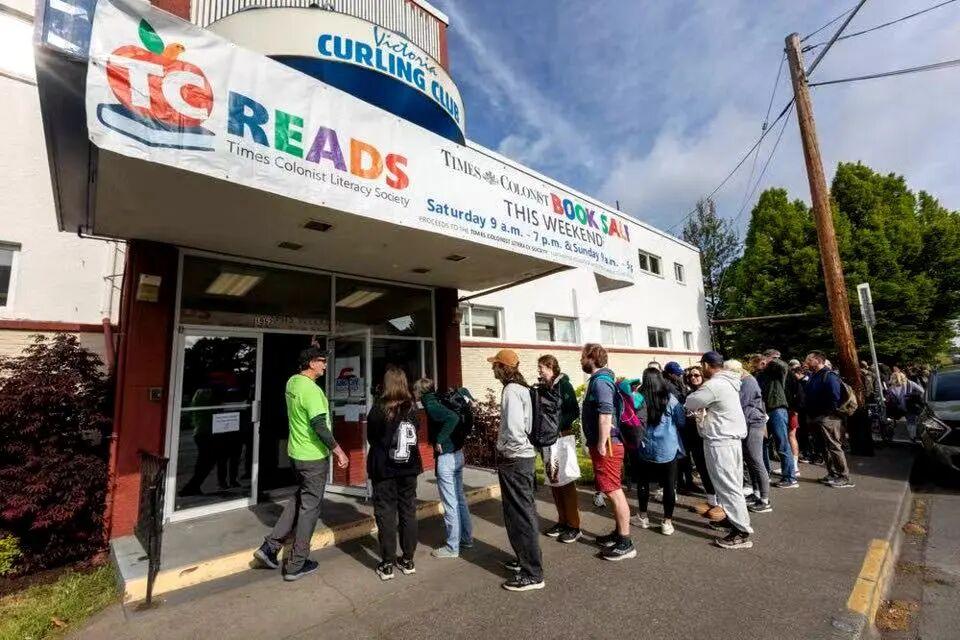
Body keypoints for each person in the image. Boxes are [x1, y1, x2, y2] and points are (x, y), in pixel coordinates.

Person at [254, 347, 349, 581]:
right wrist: (338, 450)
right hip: (312, 457)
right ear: (311, 363)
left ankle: (269, 547)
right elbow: (319, 425)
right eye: (322, 361)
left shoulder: (292, 382)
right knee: (310, 509)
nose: (325, 365)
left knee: (300, 499)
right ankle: (296, 563)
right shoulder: (312, 391)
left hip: (296, 454)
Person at [685, 352, 754, 550]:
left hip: (721, 440)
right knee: (727, 484)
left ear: (707, 365)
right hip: (727, 438)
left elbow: (691, 402)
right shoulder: (729, 381)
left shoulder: (715, 384)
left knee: (728, 485)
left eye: (702, 366)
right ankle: (731, 519)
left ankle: (741, 531)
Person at [489, 349, 544, 591]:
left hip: (515, 459)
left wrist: (506, 451)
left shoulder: (511, 390)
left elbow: (514, 429)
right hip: (525, 456)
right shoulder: (523, 388)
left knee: (520, 515)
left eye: (495, 365)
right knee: (522, 512)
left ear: (503, 367)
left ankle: (532, 573)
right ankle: (525, 560)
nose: (492, 368)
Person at [366, 367, 423, 580]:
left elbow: (372, 437)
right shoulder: (412, 407)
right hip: (408, 467)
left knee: (386, 514)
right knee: (408, 511)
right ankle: (408, 559)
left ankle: (387, 563)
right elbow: (417, 431)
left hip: (385, 469)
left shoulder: (379, 408)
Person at [581, 343, 635, 560]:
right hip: (607, 443)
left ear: (592, 357)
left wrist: (602, 443)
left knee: (614, 491)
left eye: (583, 356)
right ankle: (618, 533)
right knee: (611, 490)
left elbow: (605, 414)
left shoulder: (601, 381)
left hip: (609, 445)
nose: (581, 360)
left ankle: (626, 543)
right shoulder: (600, 379)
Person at [415, 378, 473, 559]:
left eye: (415, 390)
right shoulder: (440, 398)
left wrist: (439, 439)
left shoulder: (432, 405)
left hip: (447, 458)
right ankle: (466, 539)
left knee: (450, 503)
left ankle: (452, 547)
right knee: (459, 499)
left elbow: (452, 418)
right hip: (457, 454)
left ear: (420, 392)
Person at [631, 367, 686, 535]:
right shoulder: (670, 399)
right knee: (669, 485)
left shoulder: (637, 398)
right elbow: (681, 422)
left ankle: (643, 516)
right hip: (668, 447)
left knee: (643, 483)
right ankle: (667, 522)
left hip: (644, 446)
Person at [537, 355, 583, 544]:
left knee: (566, 482)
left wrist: (555, 426)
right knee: (554, 481)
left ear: (551, 367)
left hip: (562, 438)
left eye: (541, 368)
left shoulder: (564, 386)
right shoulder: (543, 387)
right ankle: (562, 521)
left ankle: (574, 526)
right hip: (548, 441)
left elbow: (574, 411)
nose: (539, 371)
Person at [804, 351, 854, 488]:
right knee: (823, 447)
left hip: (828, 418)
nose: (806, 362)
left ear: (818, 360)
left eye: (809, 359)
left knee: (834, 446)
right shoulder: (814, 376)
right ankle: (832, 473)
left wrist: (826, 413)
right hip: (816, 417)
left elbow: (835, 397)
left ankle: (844, 477)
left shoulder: (829, 376)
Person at [728, 360, 772, 513]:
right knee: (750, 460)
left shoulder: (748, 382)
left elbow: (740, 403)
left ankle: (765, 500)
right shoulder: (746, 380)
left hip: (753, 423)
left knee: (756, 460)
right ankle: (757, 492)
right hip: (749, 423)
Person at [684, 366, 723, 522]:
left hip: (708, 436)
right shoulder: (689, 394)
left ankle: (721, 503)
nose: (693, 378)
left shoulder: (709, 391)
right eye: (690, 376)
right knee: (702, 468)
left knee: (714, 469)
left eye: (696, 375)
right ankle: (711, 500)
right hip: (694, 436)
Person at [758, 349, 799, 489]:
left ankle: (790, 478)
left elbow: (783, 365)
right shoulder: (761, 374)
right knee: (762, 443)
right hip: (764, 411)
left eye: (777, 358)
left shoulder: (777, 370)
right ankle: (765, 474)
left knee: (782, 443)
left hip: (777, 409)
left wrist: (771, 360)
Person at [663, 362, 695, 493]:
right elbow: (681, 400)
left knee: (685, 455)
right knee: (680, 456)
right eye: (677, 374)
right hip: (676, 425)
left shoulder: (677, 383)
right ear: (670, 374)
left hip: (683, 422)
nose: (680, 376)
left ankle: (689, 481)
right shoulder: (668, 386)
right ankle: (681, 483)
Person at [888, 370, 925, 440]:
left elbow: (892, 400)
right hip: (910, 406)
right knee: (912, 421)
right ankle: (913, 437)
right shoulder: (910, 383)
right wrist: (913, 395)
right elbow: (922, 391)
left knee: (910, 421)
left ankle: (912, 436)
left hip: (900, 408)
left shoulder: (890, 388)